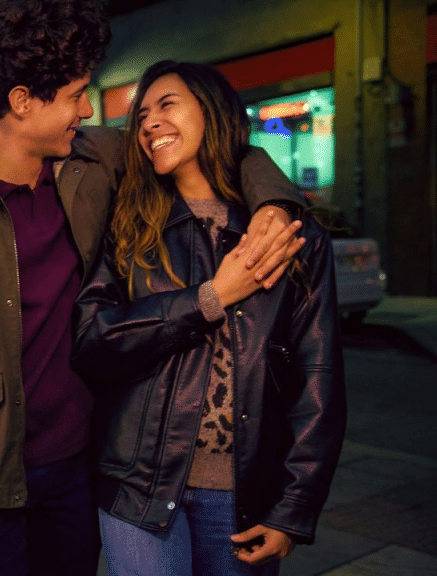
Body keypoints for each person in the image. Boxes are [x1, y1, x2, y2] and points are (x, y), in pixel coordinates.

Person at [0, 2, 305, 574]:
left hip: (79, 467)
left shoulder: (97, 161)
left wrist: (274, 200)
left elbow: (218, 144)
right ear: (22, 101)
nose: (89, 108)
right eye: (75, 94)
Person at [71, 60, 346, 576]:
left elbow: (318, 377)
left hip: (243, 496)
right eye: (142, 114)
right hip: (139, 488)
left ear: (213, 110)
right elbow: (93, 342)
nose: (149, 122)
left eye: (167, 104)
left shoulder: (286, 234)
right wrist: (210, 298)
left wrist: (293, 508)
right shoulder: (129, 225)